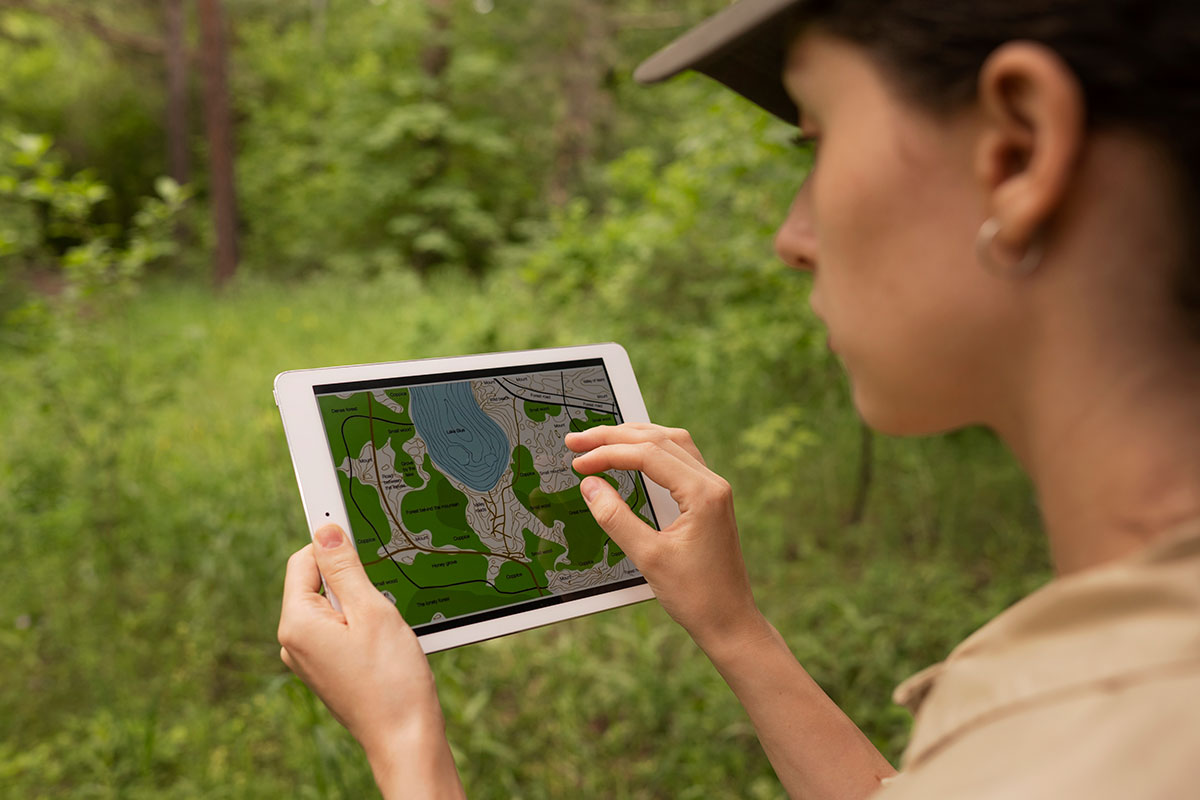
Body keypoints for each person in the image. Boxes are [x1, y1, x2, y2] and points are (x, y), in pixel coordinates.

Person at [277, 0, 1200, 797]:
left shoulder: (1118, 738)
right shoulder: (1127, 672)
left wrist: (407, 750)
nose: (790, 235)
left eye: (821, 140)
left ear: (1020, 147)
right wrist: (732, 626)